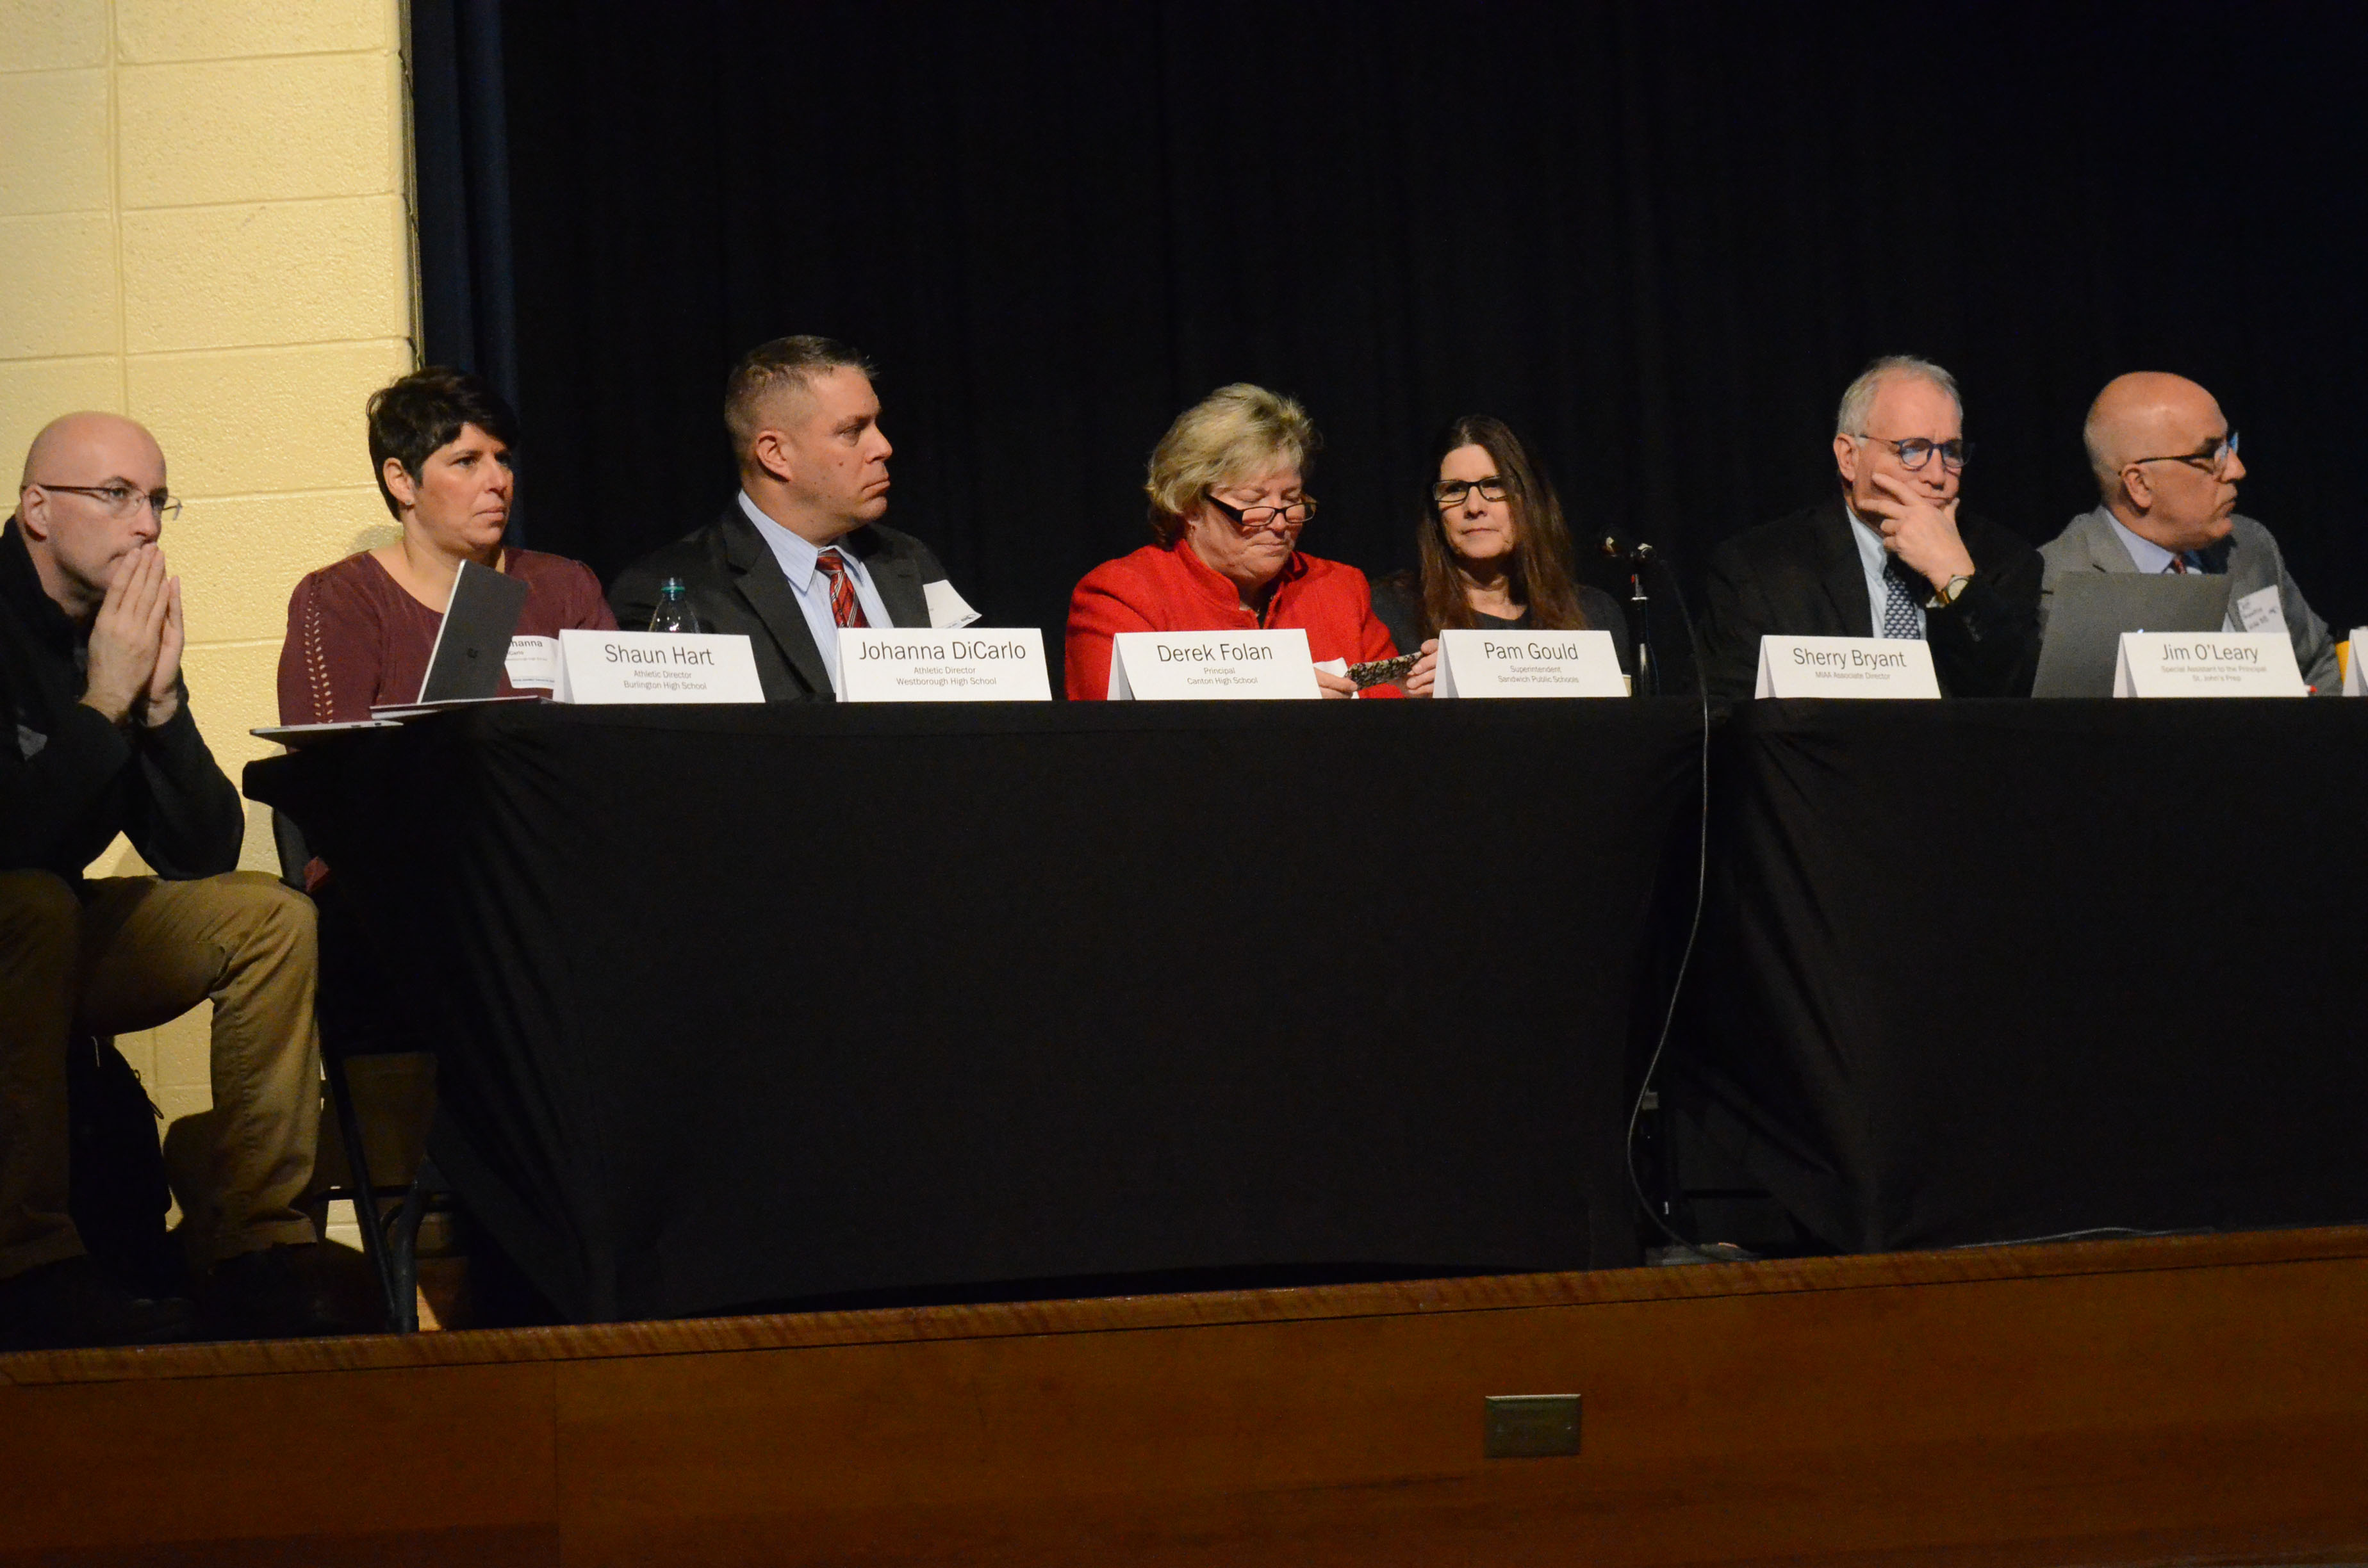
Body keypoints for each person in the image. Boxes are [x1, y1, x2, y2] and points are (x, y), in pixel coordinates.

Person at [2, 414, 342, 1348]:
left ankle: (257, 1240)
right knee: (33, 902)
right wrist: (102, 703)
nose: (147, 524)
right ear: (38, 509)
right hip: (19, 916)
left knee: (270, 917)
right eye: (117, 496)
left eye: (157, 500)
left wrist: (156, 705)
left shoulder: (111, 627)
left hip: (49, 932)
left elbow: (199, 852)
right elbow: (14, 840)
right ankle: (26, 1261)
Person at [609, 336, 972, 701]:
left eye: (877, 424)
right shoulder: (671, 593)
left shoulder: (909, 560)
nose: (883, 447)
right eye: (852, 431)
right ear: (776, 454)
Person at [277, 369, 615, 724]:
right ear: (402, 482)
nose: (498, 481)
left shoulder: (563, 586)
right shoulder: (344, 600)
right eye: (467, 461)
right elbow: (326, 753)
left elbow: (618, 734)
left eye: (502, 460)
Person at [1699, 355, 2042, 703]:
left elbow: (2019, 701)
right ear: (1849, 458)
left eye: (1950, 452)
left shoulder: (2005, 561)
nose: (1937, 476)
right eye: (1912, 450)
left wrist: (1954, 578)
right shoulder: (1760, 572)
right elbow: (1726, 717)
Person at [1066, 384, 1400, 699]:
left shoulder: (1339, 590)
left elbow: (1392, 719)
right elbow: (1123, 732)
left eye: (1291, 499)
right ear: (1190, 506)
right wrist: (1279, 700)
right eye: (1253, 503)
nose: (1280, 523)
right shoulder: (1123, 598)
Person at [2043, 372, 2340, 691]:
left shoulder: (2249, 546)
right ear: (2140, 485)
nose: (2237, 469)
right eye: (2212, 455)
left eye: (2230, 445)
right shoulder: (2063, 585)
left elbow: (2317, 666)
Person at [1370, 414, 1629, 698]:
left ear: (1529, 499)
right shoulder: (1390, 612)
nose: (1474, 507)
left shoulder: (1595, 615)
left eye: (1495, 485)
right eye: (1454, 489)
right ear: (1435, 512)